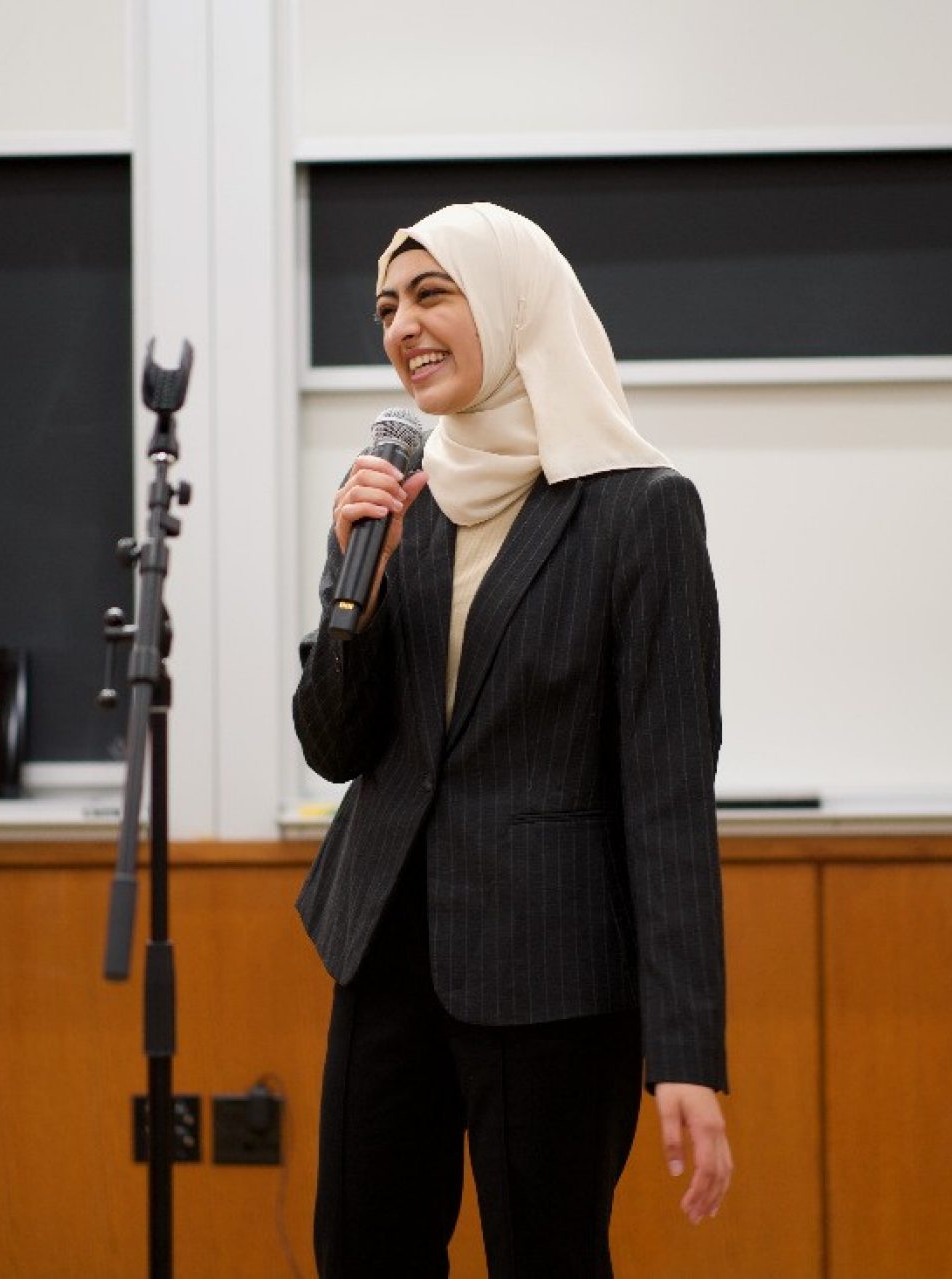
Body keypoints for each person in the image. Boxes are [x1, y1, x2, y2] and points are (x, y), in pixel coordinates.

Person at [293, 201, 731, 1278]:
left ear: (512, 303)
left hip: (555, 977)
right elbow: (331, 746)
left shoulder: (640, 513)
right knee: (359, 1251)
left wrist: (686, 1052)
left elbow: (668, 797)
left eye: (433, 294)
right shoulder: (400, 506)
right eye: (387, 306)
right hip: (385, 946)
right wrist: (355, 585)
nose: (403, 325)